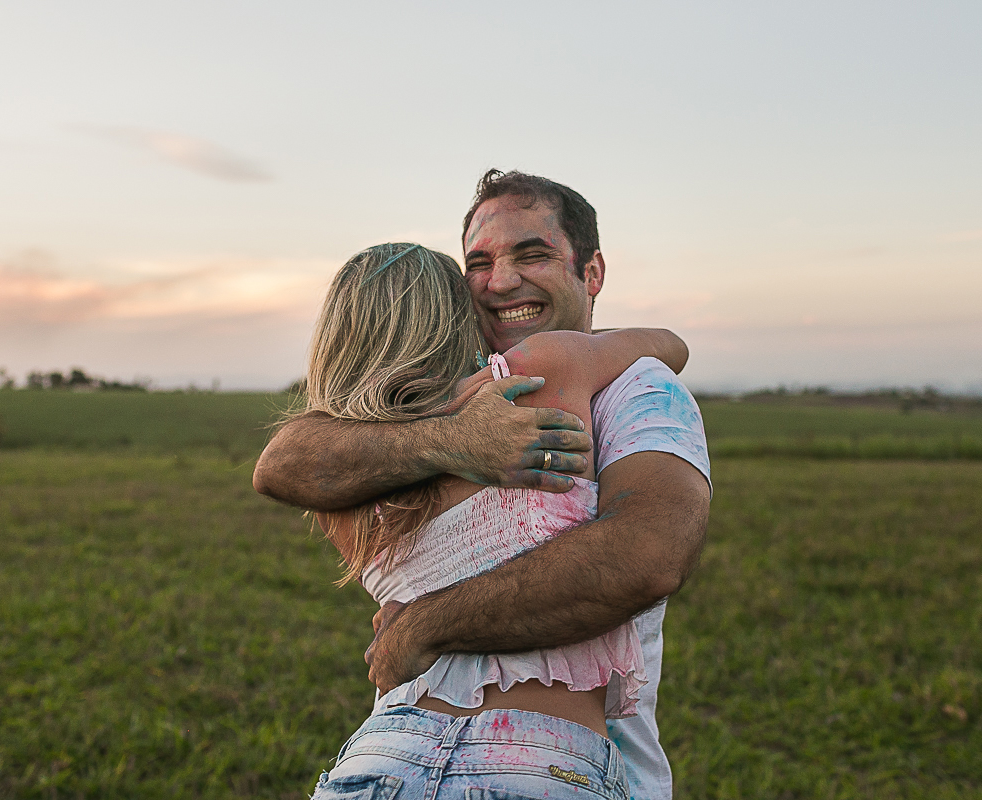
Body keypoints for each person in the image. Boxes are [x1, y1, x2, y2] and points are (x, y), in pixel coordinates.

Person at [254, 170, 711, 799]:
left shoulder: (640, 391)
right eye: (479, 264)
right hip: (546, 763)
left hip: (380, 758)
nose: (501, 282)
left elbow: (647, 556)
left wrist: (420, 628)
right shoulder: (548, 369)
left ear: (592, 272)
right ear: (454, 302)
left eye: (532, 254)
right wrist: (455, 442)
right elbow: (283, 461)